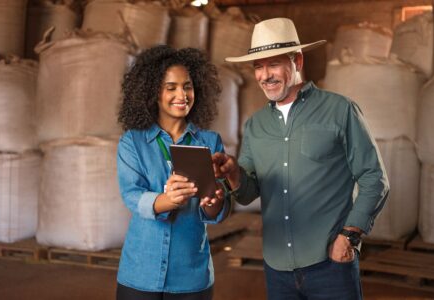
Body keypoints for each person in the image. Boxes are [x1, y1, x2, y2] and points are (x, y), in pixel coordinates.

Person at [213, 18, 389, 299]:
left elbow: (374, 178)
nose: (264, 75)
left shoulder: (340, 110)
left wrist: (349, 236)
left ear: (297, 60)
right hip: (276, 267)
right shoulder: (255, 125)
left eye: (273, 64)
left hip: (331, 266)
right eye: (258, 66)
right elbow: (248, 193)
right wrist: (233, 173)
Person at [116, 45, 231, 300]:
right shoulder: (132, 142)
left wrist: (215, 201)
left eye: (187, 86)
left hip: (190, 277)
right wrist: (165, 200)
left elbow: (214, 210)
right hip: (140, 275)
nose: (182, 94)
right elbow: (131, 194)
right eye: (171, 87)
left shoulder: (210, 142)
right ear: (152, 92)